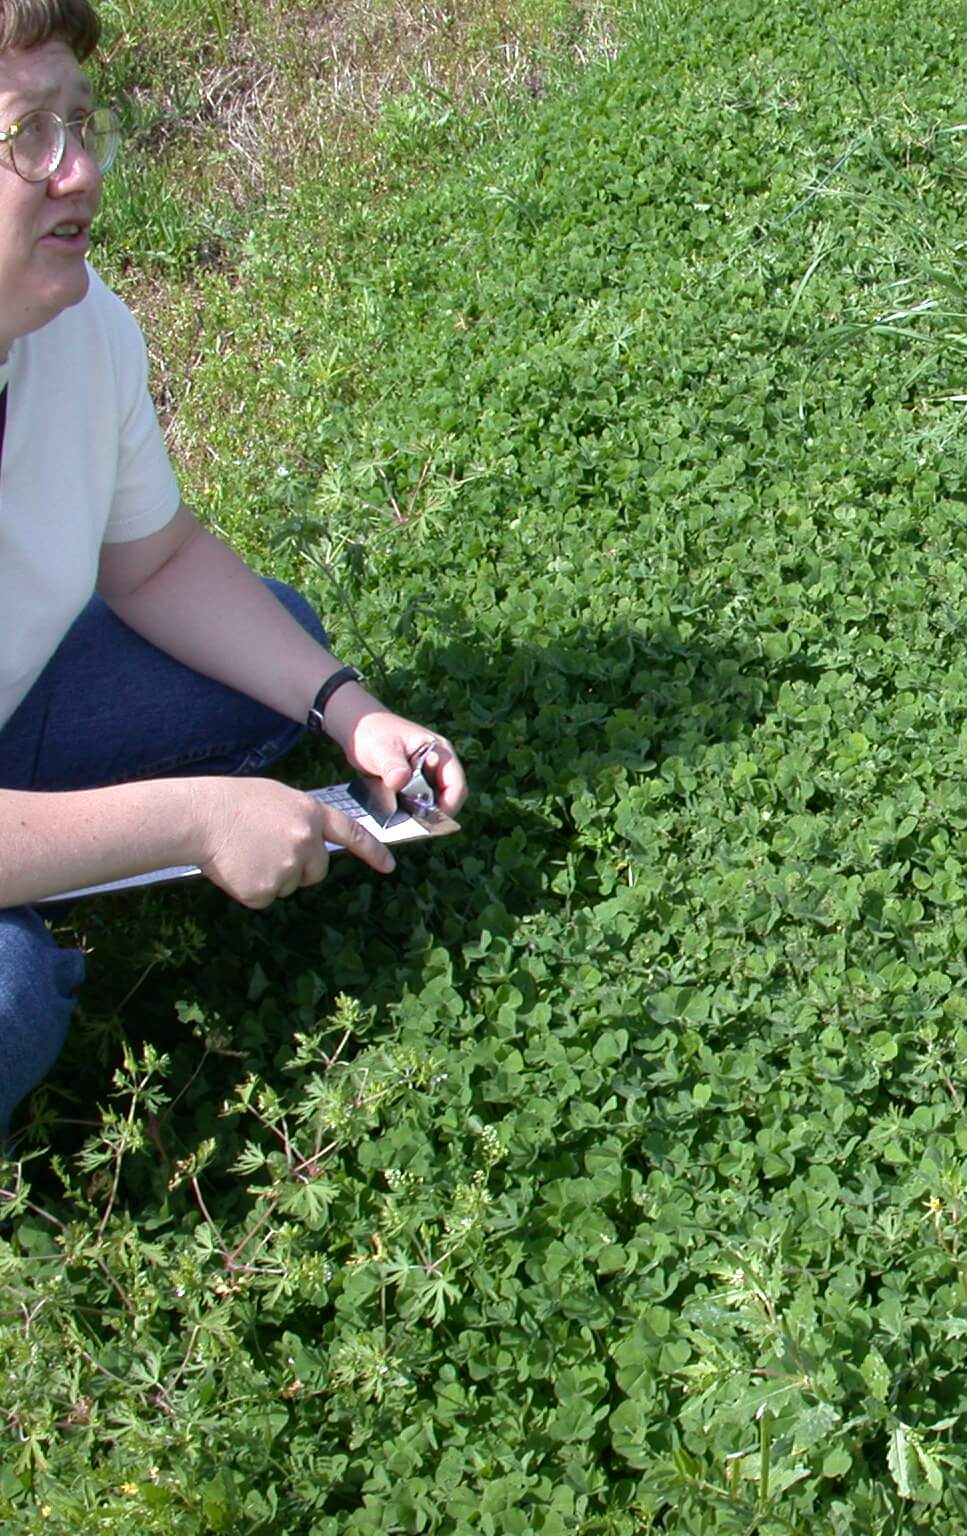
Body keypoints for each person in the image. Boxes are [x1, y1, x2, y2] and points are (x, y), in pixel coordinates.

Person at [0, 0, 467, 1136]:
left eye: (83, 123)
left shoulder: (81, 327)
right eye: (29, 137)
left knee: (276, 649)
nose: (80, 174)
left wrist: (349, 709)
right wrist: (192, 820)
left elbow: (154, 563)